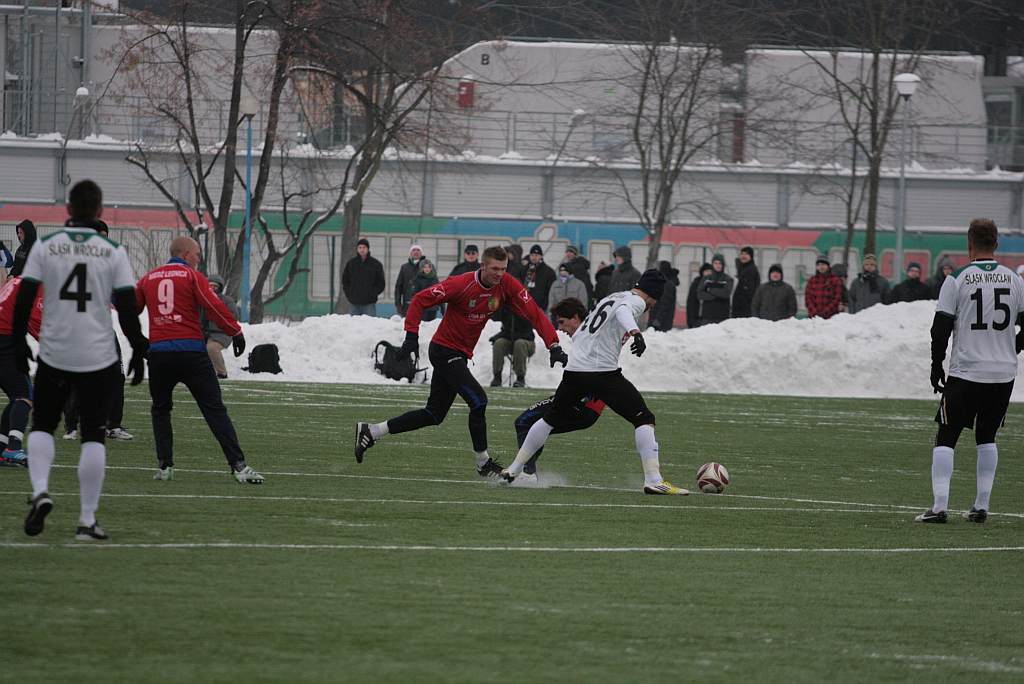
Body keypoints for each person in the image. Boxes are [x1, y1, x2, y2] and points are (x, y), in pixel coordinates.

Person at [354, 246, 566, 476]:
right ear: (483, 266)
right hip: (444, 351)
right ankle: (482, 462)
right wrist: (412, 336)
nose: (499, 274)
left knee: (434, 414)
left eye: (503, 269)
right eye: (494, 268)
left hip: (459, 355)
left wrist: (553, 344)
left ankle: (372, 431)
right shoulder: (460, 284)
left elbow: (534, 312)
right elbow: (419, 299)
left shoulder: (507, 284)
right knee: (479, 401)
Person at [14, 179, 148, 541]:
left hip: (55, 351)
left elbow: (24, 298)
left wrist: (16, 341)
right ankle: (87, 520)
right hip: (98, 354)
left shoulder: (45, 246)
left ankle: (41, 489)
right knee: (93, 435)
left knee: (42, 425)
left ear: (68, 211)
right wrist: (138, 346)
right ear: (100, 212)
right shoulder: (113, 251)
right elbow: (125, 307)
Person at [500, 277, 686, 495]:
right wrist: (636, 333)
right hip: (601, 372)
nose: (649, 307)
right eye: (652, 303)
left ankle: (514, 469)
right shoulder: (635, 301)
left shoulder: (611, 297)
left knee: (548, 419)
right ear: (651, 295)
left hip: (575, 371)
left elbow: (584, 333)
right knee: (644, 418)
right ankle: (654, 479)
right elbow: (624, 312)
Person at [917, 218, 1024, 524]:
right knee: (987, 435)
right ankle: (981, 506)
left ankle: (939, 507)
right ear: (996, 244)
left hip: (967, 371)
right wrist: (1011, 347)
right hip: (1002, 374)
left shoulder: (958, 279)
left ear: (969, 244)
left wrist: (937, 364)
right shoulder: (1014, 280)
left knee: (947, 434)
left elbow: (940, 327)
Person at [136, 236, 263, 485]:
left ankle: (165, 466)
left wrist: (140, 343)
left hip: (160, 355)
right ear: (185, 254)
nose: (199, 258)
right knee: (214, 409)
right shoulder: (192, 276)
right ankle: (238, 465)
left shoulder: (148, 278)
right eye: (197, 254)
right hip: (191, 353)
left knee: (161, 409)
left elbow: (129, 310)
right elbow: (214, 306)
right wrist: (235, 331)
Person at [511, 301, 608, 484]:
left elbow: (601, 365)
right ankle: (527, 472)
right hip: (585, 405)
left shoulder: (590, 336)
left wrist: (592, 387)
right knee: (535, 427)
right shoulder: (587, 334)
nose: (560, 329)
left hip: (582, 403)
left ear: (576, 318)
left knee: (525, 422)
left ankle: (527, 474)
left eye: (562, 322)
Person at [0, 276, 42, 466]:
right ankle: (13, 448)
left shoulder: (18, 280)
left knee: (16, 396)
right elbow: (34, 319)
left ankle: (2, 448)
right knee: (24, 396)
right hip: (5, 341)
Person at [202, 274, 240, 379]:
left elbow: (234, 317)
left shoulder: (227, 300)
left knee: (212, 348)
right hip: (204, 333)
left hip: (222, 333)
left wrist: (217, 315)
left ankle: (222, 373)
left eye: (215, 286)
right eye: (210, 286)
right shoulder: (202, 300)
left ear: (220, 288)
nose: (212, 289)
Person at [490, 308, 535, 388]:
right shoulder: (506, 309)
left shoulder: (526, 309)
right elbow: (495, 317)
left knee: (519, 344)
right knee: (498, 344)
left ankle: (520, 378)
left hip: (527, 342)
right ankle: (497, 377)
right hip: (510, 341)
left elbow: (526, 334)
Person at [341, 238, 386, 316]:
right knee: (353, 326)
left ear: (368, 249)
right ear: (357, 249)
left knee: (369, 326)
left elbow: (381, 283)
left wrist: (372, 293)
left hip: (369, 303)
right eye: (360, 247)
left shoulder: (376, 264)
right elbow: (345, 281)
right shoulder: (351, 264)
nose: (362, 250)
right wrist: (349, 294)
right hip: (354, 303)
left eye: (364, 247)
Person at [697, 254, 733, 324]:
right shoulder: (706, 278)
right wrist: (716, 296)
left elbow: (726, 293)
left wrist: (710, 290)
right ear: (712, 264)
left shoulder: (728, 279)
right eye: (715, 263)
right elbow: (699, 294)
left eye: (720, 263)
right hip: (707, 316)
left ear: (723, 265)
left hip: (722, 317)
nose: (718, 265)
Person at [523, 244, 557, 311]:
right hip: (525, 306)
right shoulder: (524, 269)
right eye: (532, 255)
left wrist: (544, 306)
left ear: (541, 256)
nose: (534, 257)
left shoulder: (549, 272)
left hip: (541, 308)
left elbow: (550, 291)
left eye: (536, 255)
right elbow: (521, 287)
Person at [647, 260, 679, 331]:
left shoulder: (667, 285)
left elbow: (665, 304)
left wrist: (657, 320)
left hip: (660, 323)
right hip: (656, 320)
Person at [394, 244, 425, 316]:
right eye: (413, 250)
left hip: (423, 305)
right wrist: (398, 304)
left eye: (418, 250)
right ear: (410, 253)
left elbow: (432, 285)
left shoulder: (427, 267)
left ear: (421, 253)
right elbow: (398, 287)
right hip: (407, 305)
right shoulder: (404, 267)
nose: (416, 252)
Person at [731, 246, 760, 318]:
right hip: (739, 308)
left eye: (746, 254)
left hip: (745, 309)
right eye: (742, 254)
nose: (743, 256)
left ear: (751, 256)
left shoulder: (751, 270)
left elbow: (749, 291)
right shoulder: (742, 269)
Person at [685, 262, 713, 328]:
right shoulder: (697, 283)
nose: (708, 273)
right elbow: (691, 302)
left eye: (710, 271)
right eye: (706, 271)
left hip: (710, 317)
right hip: (698, 318)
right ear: (702, 272)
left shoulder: (714, 283)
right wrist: (691, 320)